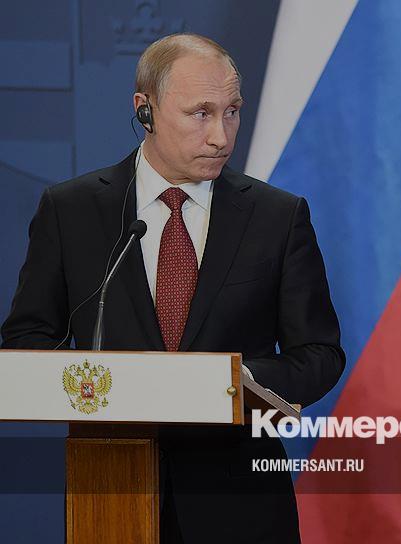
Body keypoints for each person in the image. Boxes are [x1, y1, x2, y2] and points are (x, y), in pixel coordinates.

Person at [1, 33, 345, 543]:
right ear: (145, 110)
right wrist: (99, 387)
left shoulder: (278, 216)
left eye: (232, 112)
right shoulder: (71, 210)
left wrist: (233, 382)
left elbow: (319, 355)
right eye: (200, 113)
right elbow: (27, 342)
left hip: (241, 505)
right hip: (111, 494)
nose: (221, 137)